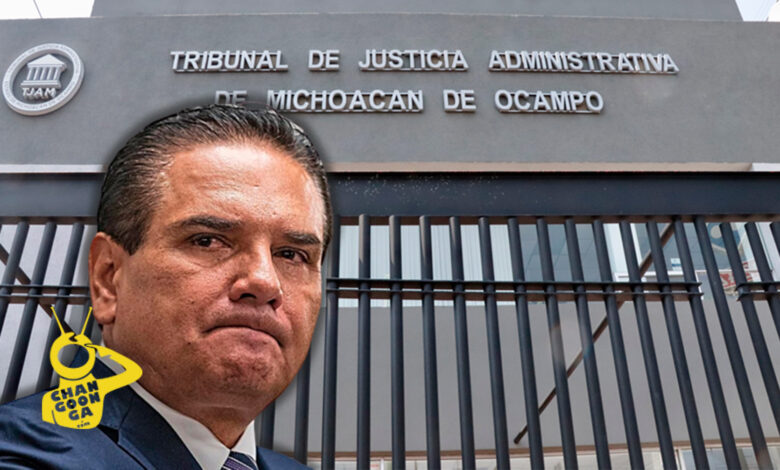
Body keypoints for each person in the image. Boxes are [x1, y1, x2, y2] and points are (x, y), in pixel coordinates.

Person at [0, 104, 332, 470]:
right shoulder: (22, 453)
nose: (265, 281)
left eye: (291, 254)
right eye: (207, 241)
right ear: (108, 278)